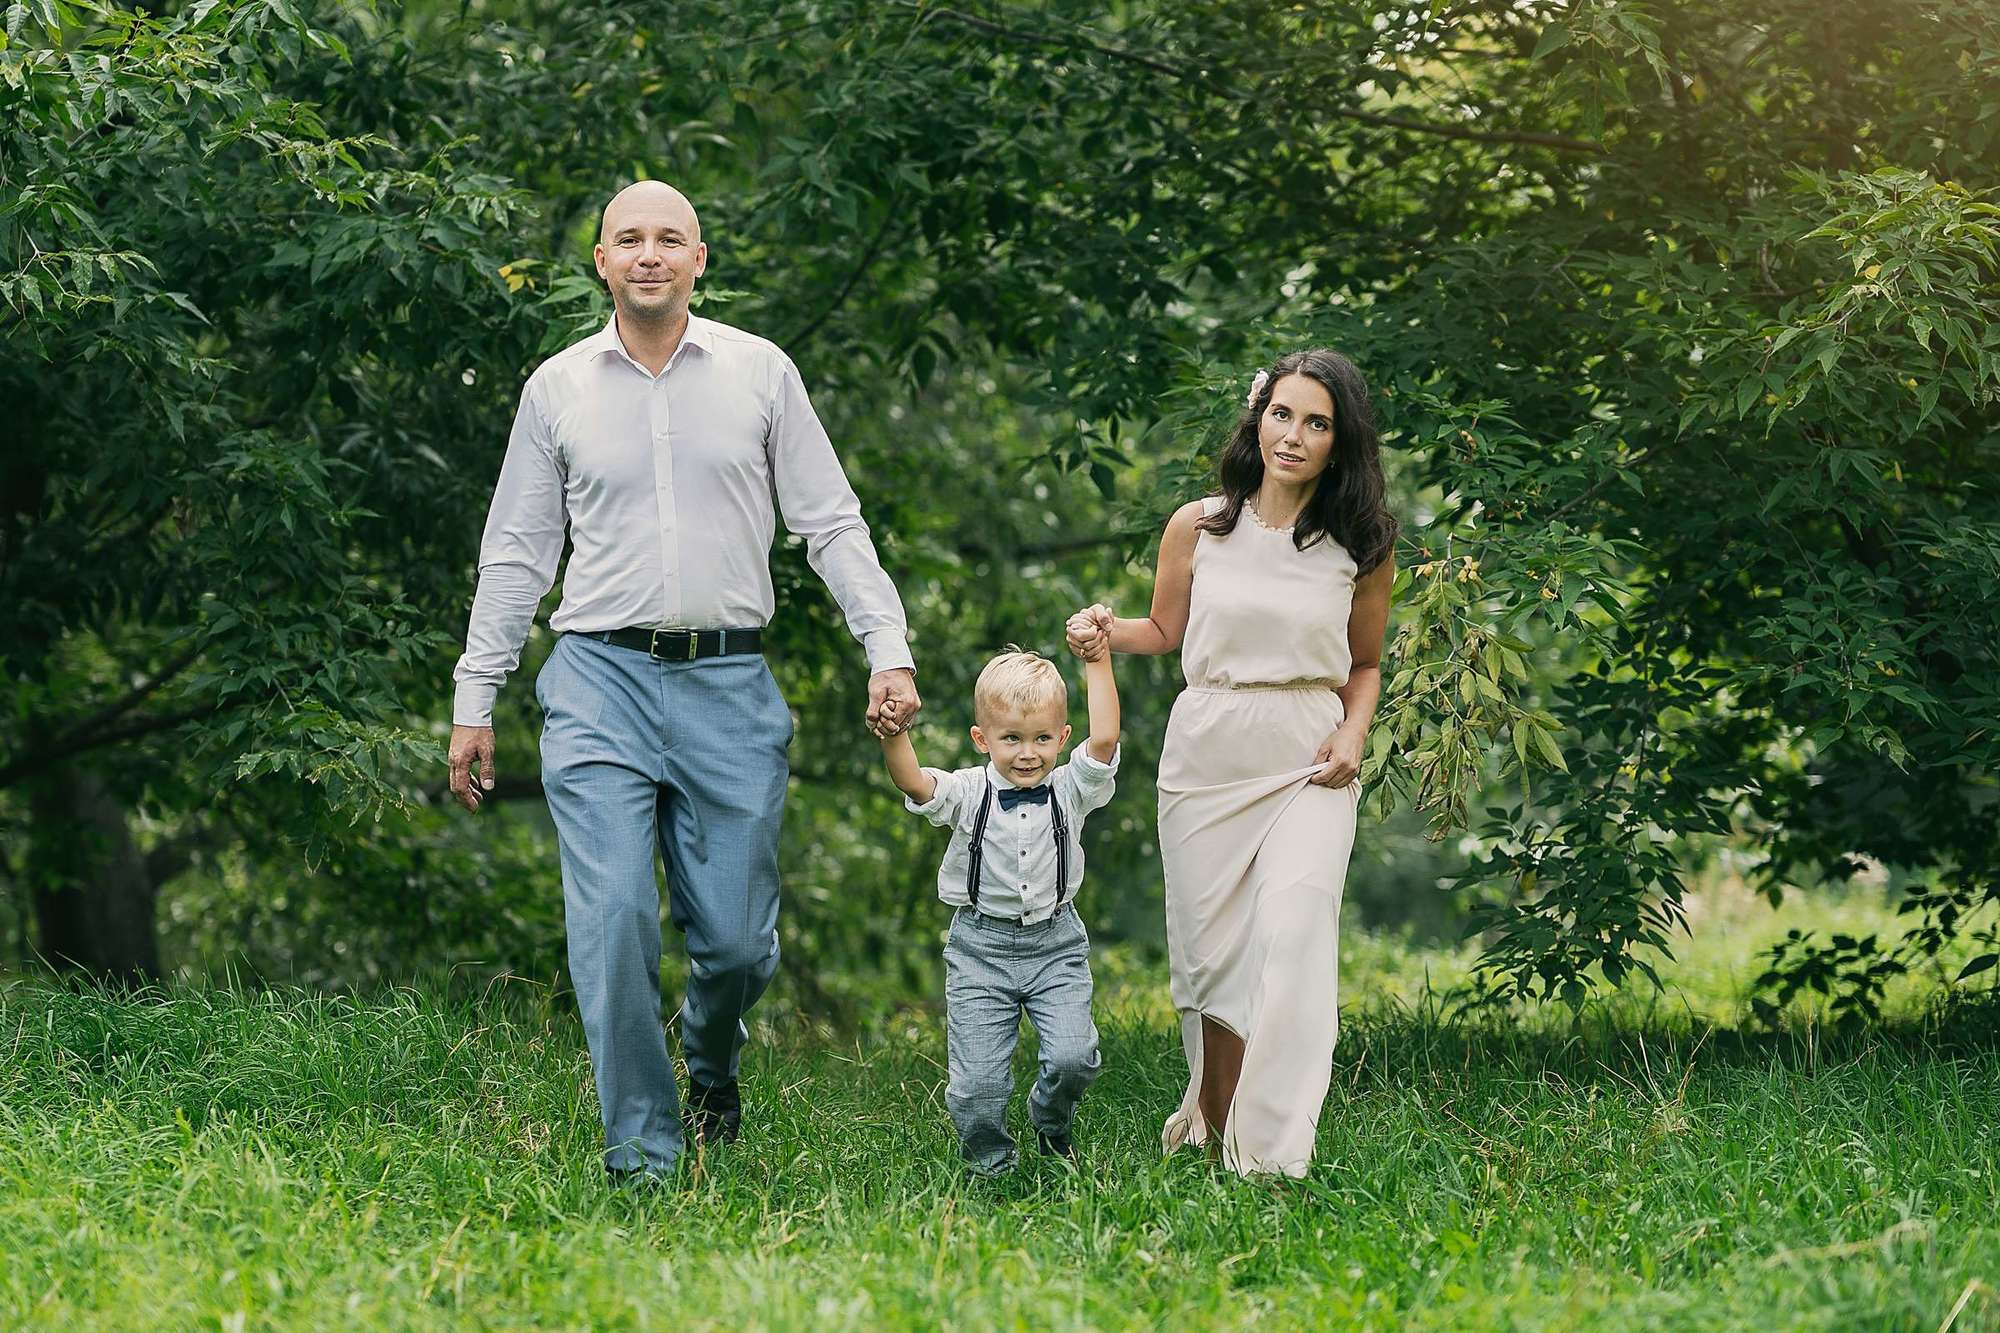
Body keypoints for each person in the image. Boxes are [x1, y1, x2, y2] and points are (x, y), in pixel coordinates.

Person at [446, 180, 920, 1183]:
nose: (649, 253)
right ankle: (644, 1159)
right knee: (614, 922)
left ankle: (711, 1061)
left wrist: (887, 646)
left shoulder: (760, 374)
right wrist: (473, 700)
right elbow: (519, 554)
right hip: (596, 682)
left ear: (699, 259)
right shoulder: (557, 389)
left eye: (670, 238)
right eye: (629, 238)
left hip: (729, 683)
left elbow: (830, 522)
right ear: (602, 262)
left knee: (741, 945)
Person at [1066, 348, 1397, 1177]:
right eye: (1283, 414)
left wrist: (1354, 734)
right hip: (1208, 752)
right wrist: (1106, 633)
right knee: (1213, 958)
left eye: (1317, 423)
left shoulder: (1361, 544)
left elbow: (1365, 665)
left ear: (1339, 441)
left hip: (1307, 754)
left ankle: (1271, 1155)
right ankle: (1215, 1119)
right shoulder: (1201, 524)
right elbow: (1164, 630)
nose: (1294, 435)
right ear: (1259, 417)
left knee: (1293, 924)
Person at [878, 647, 1121, 1174]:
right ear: (982, 739)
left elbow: (1103, 741)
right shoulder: (968, 791)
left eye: (1041, 738)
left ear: (1062, 737)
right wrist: (895, 735)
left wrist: (1097, 659)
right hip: (979, 947)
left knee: (1074, 1057)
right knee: (977, 1084)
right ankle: (991, 1167)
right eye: (1011, 738)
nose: (1027, 753)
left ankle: (1051, 1122)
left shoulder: (1070, 789)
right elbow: (914, 782)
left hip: (1056, 944)